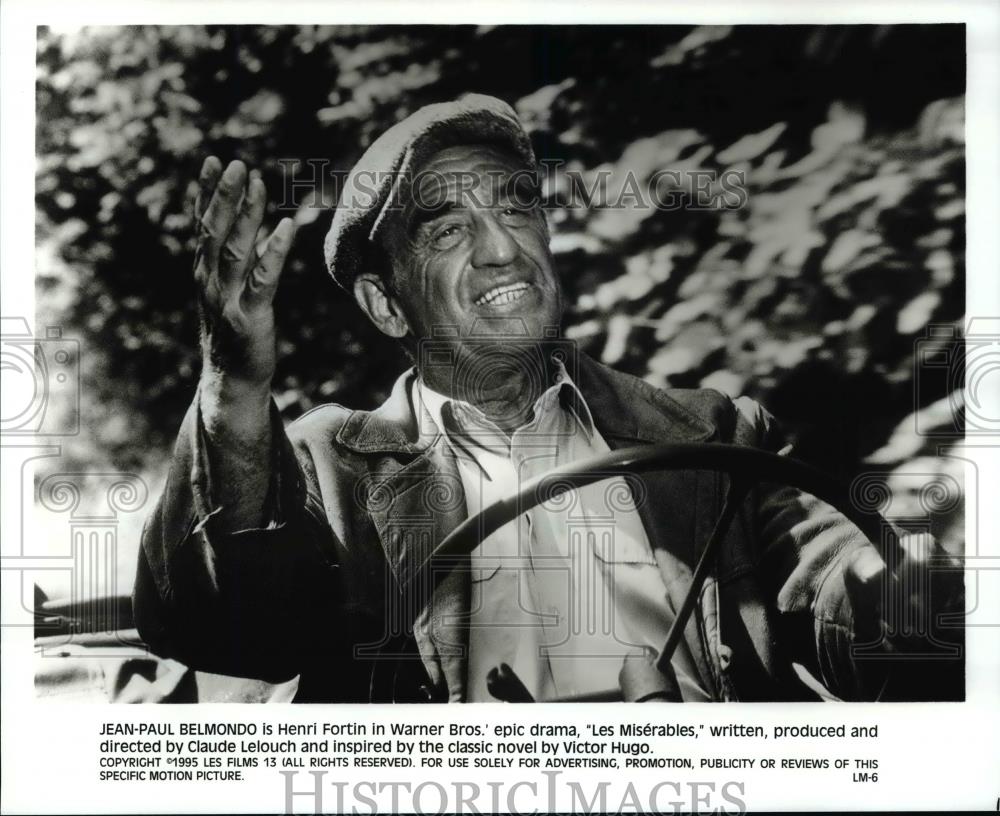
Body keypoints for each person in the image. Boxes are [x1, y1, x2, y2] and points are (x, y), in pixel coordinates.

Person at [133, 94, 963, 703]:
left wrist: (881, 592)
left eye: (517, 207)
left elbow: (826, 582)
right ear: (388, 304)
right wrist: (232, 381)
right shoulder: (325, 466)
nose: (503, 250)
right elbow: (225, 629)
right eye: (448, 230)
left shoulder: (716, 433)